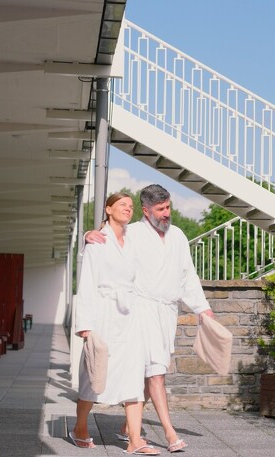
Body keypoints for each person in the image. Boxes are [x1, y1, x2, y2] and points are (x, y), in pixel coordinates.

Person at [85, 184, 214, 453]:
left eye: (168, 207)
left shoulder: (178, 236)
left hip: (167, 312)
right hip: (140, 310)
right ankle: (170, 434)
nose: (166, 213)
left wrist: (202, 308)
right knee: (155, 373)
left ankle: (127, 427)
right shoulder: (133, 233)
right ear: (146, 211)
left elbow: (188, 275)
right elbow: (109, 242)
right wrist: (90, 234)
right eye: (160, 209)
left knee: (147, 372)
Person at [72, 193, 158, 455]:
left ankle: (135, 440)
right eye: (122, 205)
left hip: (131, 317)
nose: (128, 209)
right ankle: (80, 427)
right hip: (104, 315)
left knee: (133, 374)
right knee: (94, 374)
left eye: (131, 206)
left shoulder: (135, 240)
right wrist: (85, 325)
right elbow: (87, 282)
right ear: (108, 209)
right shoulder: (97, 241)